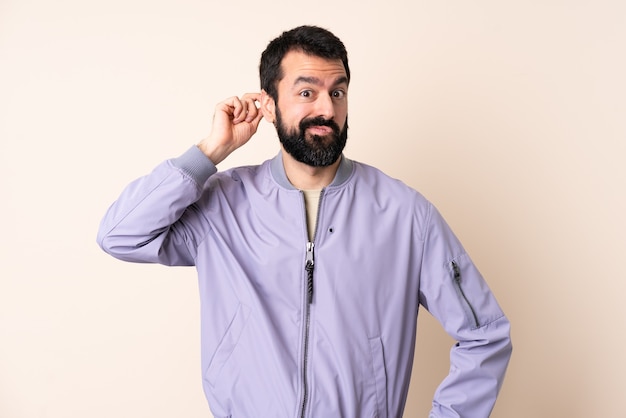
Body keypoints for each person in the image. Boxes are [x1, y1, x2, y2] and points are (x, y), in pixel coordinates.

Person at [97, 25, 512, 418]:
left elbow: (485, 334)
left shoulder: (405, 214)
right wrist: (209, 152)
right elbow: (121, 235)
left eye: (338, 92)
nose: (327, 109)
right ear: (269, 104)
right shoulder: (222, 208)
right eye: (307, 92)